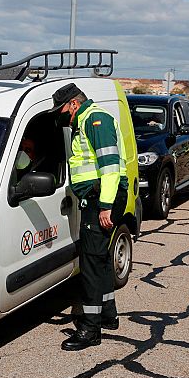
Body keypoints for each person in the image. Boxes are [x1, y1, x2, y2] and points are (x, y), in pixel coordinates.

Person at [52, 83, 129, 351]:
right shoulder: (86, 120)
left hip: (101, 199)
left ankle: (89, 329)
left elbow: (110, 168)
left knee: (91, 264)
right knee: (100, 258)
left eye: (63, 110)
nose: (63, 116)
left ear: (74, 104)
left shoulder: (95, 120)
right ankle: (107, 314)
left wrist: (105, 206)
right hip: (99, 197)